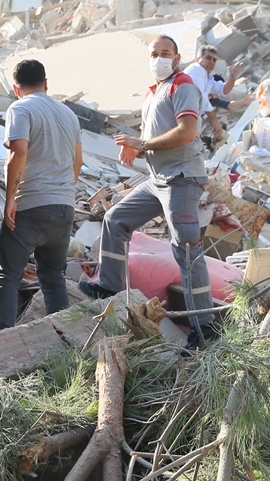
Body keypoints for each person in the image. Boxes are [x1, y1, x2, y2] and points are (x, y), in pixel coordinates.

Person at [79, 36, 217, 348]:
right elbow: (154, 141)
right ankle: (108, 285)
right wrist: (136, 149)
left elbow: (186, 132)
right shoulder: (152, 94)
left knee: (186, 250)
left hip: (181, 179)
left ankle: (204, 326)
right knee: (116, 219)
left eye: (165, 53)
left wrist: (141, 145)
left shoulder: (182, 85)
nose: (159, 58)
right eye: (154, 54)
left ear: (177, 58)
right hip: (159, 180)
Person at [0, 59, 82, 329]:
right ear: (46, 84)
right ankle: (63, 342)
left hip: (30, 206)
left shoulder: (20, 108)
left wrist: (10, 200)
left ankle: (0, 346)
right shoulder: (69, 114)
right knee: (53, 277)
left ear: (16, 89)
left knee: (7, 275)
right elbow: (77, 162)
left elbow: (17, 153)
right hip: (63, 209)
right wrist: (62, 193)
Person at [182, 46, 246, 144]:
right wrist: (215, 121)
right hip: (180, 118)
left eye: (214, 60)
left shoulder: (208, 78)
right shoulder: (196, 69)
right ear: (198, 59)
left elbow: (224, 90)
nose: (212, 62)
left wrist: (233, 77)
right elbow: (201, 97)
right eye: (208, 58)